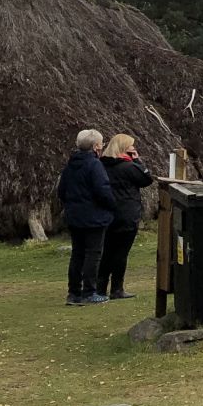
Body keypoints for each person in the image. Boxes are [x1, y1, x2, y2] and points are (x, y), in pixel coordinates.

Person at [57, 128, 116, 305]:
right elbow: (103, 190)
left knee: (77, 254)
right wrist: (112, 206)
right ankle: (89, 292)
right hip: (94, 216)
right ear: (96, 146)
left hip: (75, 216)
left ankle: (73, 292)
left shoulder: (70, 165)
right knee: (93, 253)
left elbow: (62, 191)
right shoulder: (94, 165)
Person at [97, 133, 153, 300]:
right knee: (121, 253)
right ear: (123, 148)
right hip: (126, 214)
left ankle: (100, 287)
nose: (133, 148)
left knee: (107, 251)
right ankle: (116, 288)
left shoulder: (102, 165)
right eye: (131, 146)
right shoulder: (128, 167)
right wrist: (138, 161)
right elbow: (146, 179)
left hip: (108, 213)